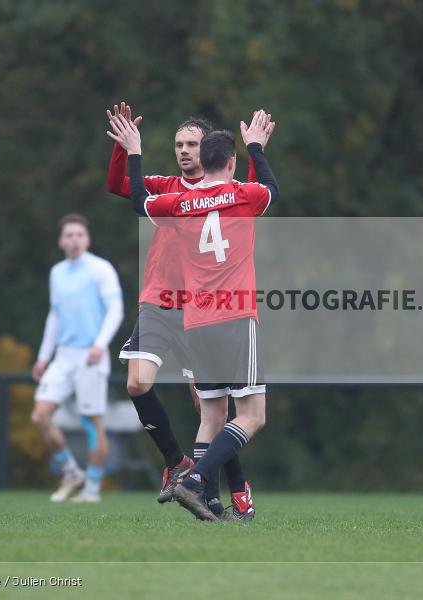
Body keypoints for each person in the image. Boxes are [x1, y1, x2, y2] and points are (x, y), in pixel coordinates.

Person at [105, 103, 272, 519]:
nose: (183, 151)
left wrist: (133, 149)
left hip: (195, 313)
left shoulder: (175, 202)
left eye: (192, 144)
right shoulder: (200, 191)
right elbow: (264, 192)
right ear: (229, 160)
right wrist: (257, 150)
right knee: (238, 412)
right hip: (193, 307)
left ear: (206, 153)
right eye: (178, 144)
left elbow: (138, 201)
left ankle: (228, 492)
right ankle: (195, 479)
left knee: (211, 410)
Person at [31, 213, 124, 503]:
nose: (74, 240)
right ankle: (71, 471)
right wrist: (43, 356)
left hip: (90, 357)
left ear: (87, 239)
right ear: (61, 241)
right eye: (69, 235)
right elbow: (55, 316)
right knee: (40, 416)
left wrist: (99, 345)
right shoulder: (57, 273)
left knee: (91, 422)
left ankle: (92, 490)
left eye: (79, 235)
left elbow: (115, 310)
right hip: (63, 357)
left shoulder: (100, 269)